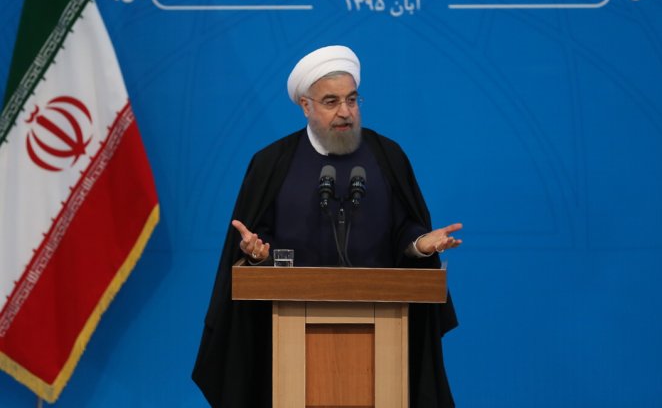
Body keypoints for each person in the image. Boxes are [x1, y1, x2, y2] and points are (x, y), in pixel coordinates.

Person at [192, 45, 462, 408]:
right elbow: (258, 239)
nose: (345, 112)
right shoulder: (272, 163)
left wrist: (420, 245)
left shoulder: (388, 157)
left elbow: (404, 229)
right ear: (306, 106)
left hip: (384, 329)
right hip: (285, 334)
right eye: (331, 102)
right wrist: (257, 255)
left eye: (352, 99)